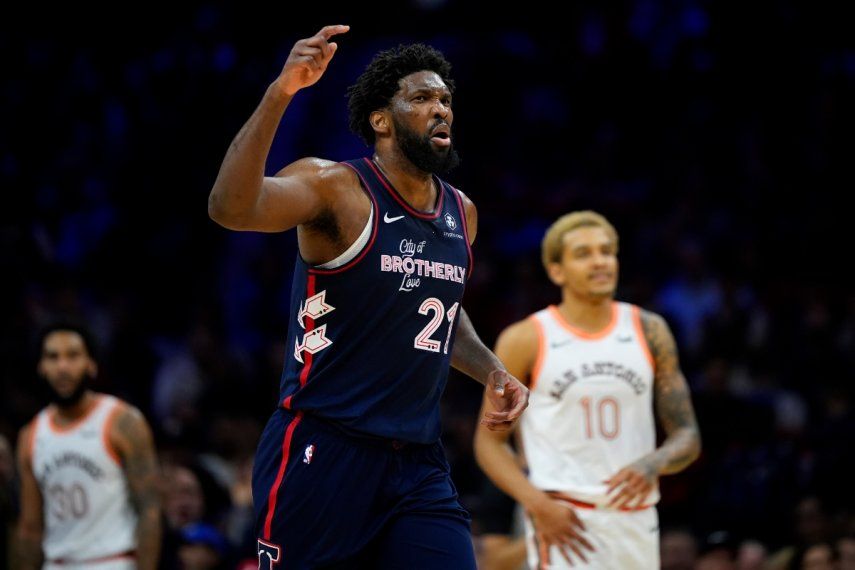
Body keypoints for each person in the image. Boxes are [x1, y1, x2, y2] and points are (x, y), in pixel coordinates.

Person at [207, 25, 528, 568]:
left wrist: (493, 370)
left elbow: (440, 307)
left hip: (418, 463)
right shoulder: (335, 188)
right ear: (381, 120)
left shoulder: (461, 212)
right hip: (325, 448)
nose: (441, 109)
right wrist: (280, 92)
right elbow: (230, 208)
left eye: (446, 99)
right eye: (422, 98)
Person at [474, 211, 701, 568]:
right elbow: (489, 443)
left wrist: (652, 463)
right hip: (562, 521)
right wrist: (538, 505)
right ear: (556, 270)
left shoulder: (650, 329)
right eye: (583, 254)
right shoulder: (525, 339)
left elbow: (687, 436)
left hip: (635, 519)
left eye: (607, 251)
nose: (600, 262)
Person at [14, 322, 162, 569]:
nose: (63, 367)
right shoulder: (30, 435)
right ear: (41, 367)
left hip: (113, 561)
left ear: (91, 364)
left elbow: (149, 510)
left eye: (73, 356)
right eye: (53, 357)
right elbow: (30, 528)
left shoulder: (122, 421)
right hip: (56, 563)